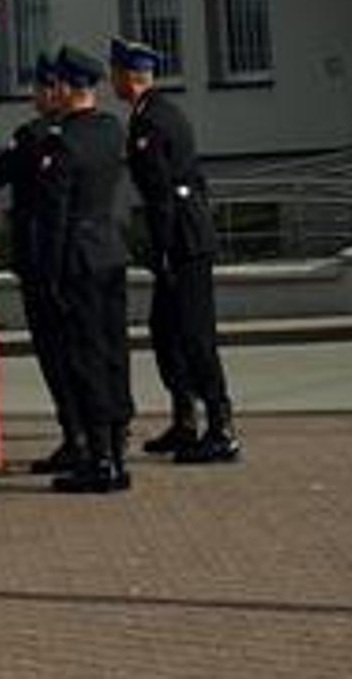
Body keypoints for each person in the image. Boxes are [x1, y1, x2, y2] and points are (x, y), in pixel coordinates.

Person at [110, 37, 241, 465]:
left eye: (116, 73)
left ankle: (221, 427)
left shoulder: (152, 122)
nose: (111, 80)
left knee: (195, 335)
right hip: (179, 235)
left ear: (131, 77)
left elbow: (162, 193)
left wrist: (163, 249)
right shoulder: (153, 113)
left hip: (183, 240)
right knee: (166, 331)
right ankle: (185, 419)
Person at [0, 54, 83, 474]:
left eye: (39, 87)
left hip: (41, 261)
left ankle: (76, 437)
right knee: (84, 352)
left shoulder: (33, 136)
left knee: (55, 353)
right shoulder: (84, 133)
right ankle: (96, 433)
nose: (34, 95)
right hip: (79, 261)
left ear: (54, 90)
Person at [41, 45, 137, 494]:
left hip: (77, 258)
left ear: (65, 88)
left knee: (85, 359)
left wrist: (52, 273)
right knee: (115, 352)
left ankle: (99, 460)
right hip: (111, 251)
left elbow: (56, 215)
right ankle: (116, 451)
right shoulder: (110, 130)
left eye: (56, 85)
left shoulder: (62, 142)